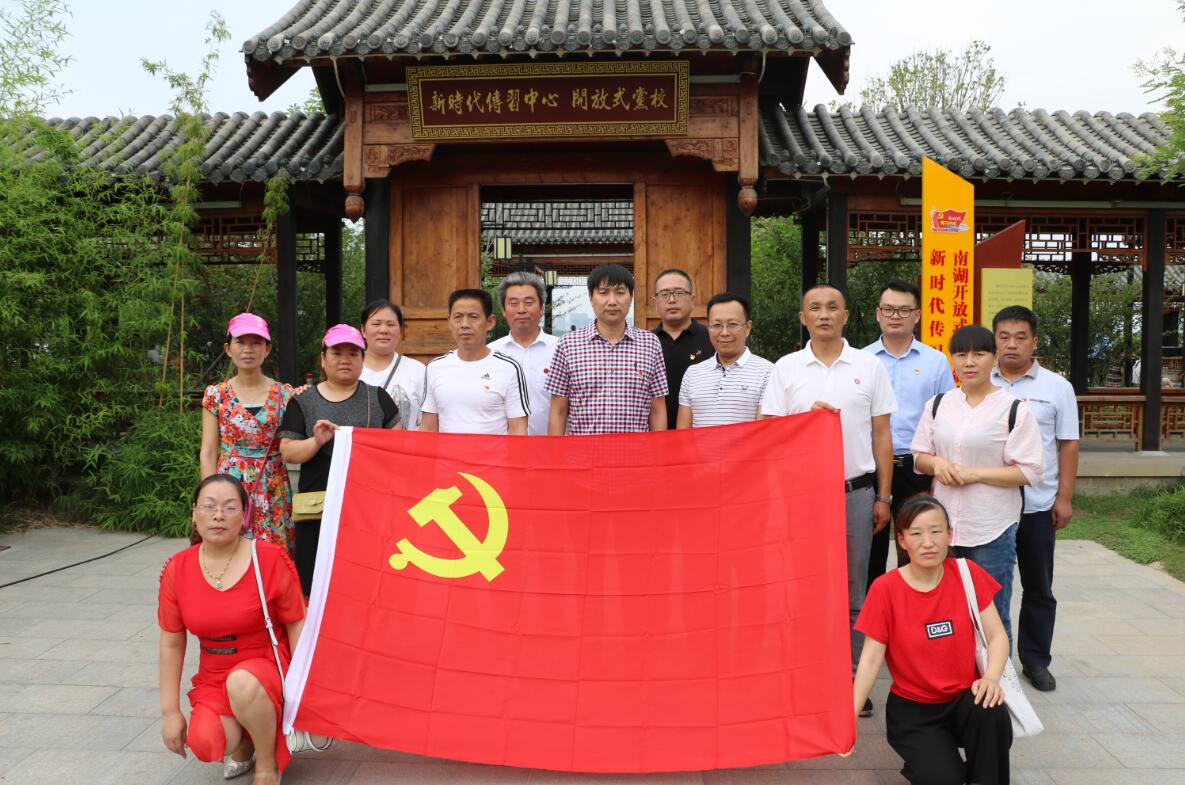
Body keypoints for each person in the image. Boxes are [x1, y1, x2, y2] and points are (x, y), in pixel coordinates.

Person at [759, 284, 896, 717]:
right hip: (800, 497)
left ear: (846, 316)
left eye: (832, 307)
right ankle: (803, 674)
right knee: (801, 588)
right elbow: (767, 431)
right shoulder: (786, 368)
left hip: (855, 492)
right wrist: (805, 421)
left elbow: (882, 435)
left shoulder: (869, 366)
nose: (823, 314)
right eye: (814, 308)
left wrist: (884, 496)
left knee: (855, 591)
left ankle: (852, 680)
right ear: (803, 318)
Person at [851, 495, 1013, 785]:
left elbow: (997, 635)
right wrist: (850, 717)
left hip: (966, 699)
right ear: (902, 540)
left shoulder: (967, 574)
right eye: (916, 533)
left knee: (991, 709)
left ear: (950, 535)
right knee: (944, 777)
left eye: (936, 531)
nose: (928, 542)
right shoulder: (885, 589)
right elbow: (871, 659)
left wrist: (991, 678)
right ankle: (931, 764)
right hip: (914, 711)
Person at [159, 474, 306, 785]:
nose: (218, 515)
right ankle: (248, 739)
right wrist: (170, 712)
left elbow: (296, 622)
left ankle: (267, 763)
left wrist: (303, 688)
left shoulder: (268, 558)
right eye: (208, 506)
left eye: (229, 507)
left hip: (265, 663)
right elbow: (171, 643)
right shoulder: (177, 568)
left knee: (242, 682)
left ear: (245, 515)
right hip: (214, 671)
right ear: (194, 514)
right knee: (204, 742)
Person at [912, 324, 1044, 647]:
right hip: (943, 528)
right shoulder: (938, 404)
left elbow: (1029, 471)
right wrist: (936, 464)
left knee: (991, 614)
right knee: (945, 612)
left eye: (979, 354)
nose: (969, 362)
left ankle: (997, 678)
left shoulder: (1013, 409)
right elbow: (919, 456)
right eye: (961, 355)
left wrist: (974, 474)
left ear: (994, 358)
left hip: (991, 527)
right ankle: (953, 675)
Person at [992, 305, 1080, 692]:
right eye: (1004, 337)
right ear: (994, 341)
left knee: (1038, 586)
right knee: (988, 586)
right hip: (990, 505)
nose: (1012, 344)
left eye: (1020, 337)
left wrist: (1064, 497)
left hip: (1038, 505)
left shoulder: (1057, 388)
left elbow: (1068, 444)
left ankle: (1035, 659)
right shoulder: (978, 380)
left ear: (1034, 342)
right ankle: (988, 660)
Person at [280, 324, 400, 595]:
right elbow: (288, 451)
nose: (345, 360)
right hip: (317, 509)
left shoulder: (377, 397)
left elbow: (397, 447)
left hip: (368, 509)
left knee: (365, 583)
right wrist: (316, 441)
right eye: (336, 353)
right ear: (323, 359)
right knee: (314, 584)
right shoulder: (303, 400)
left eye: (353, 353)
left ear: (363, 359)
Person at [863, 281, 956, 589]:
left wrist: (937, 476)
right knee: (870, 554)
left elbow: (946, 419)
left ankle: (914, 614)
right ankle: (873, 614)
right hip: (871, 468)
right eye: (889, 309)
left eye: (904, 310)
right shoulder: (862, 360)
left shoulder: (935, 362)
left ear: (917, 315)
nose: (895, 316)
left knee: (917, 551)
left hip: (916, 469)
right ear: (878, 313)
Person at [200, 313, 295, 552]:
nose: (248, 349)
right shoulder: (216, 395)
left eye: (256, 343)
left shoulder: (285, 394)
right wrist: (207, 498)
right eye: (241, 342)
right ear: (228, 349)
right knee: (229, 548)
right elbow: (208, 451)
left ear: (267, 349)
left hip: (272, 485)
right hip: (230, 484)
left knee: (272, 553)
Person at [547, 264, 668, 435]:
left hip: (636, 450)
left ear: (631, 297)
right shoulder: (568, 345)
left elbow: (657, 410)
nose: (612, 301)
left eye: (620, 292)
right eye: (603, 293)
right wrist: (556, 451)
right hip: (583, 451)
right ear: (591, 297)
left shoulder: (650, 344)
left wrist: (658, 449)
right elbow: (558, 411)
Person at [420, 288, 530, 435]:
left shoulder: (509, 368)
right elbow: (428, 429)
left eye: (473, 317)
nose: (464, 324)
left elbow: (519, 431)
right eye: (458, 317)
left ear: (490, 322)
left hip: (493, 451)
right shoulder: (435, 368)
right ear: (449, 322)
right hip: (447, 451)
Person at [676, 292, 773, 428]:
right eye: (716, 325)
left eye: (732, 324)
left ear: (748, 327)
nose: (724, 332)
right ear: (708, 327)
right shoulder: (692, 374)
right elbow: (683, 433)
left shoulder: (768, 372)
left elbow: (764, 431)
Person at [487, 272, 558, 435]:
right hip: (505, 446)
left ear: (541, 308)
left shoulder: (561, 349)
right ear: (503, 310)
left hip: (551, 445)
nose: (521, 310)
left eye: (529, 302)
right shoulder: (491, 352)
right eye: (513, 303)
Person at [652, 268, 713, 429]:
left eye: (679, 293)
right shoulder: (644, 344)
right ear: (655, 302)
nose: (672, 300)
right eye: (664, 294)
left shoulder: (712, 339)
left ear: (692, 299)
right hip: (654, 435)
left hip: (701, 433)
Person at [359, 299, 426, 431]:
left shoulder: (418, 371)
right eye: (376, 324)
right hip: (359, 445)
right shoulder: (349, 370)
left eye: (391, 324)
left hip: (405, 444)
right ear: (363, 330)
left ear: (400, 330)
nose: (384, 330)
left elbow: (426, 423)